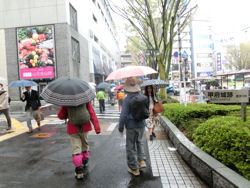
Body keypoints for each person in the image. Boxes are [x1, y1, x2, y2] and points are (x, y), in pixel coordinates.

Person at [57, 102, 100, 180]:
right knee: (85, 144)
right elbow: (92, 113)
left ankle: (79, 172)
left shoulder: (66, 102)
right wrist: (97, 128)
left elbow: (60, 115)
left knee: (76, 148)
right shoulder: (85, 100)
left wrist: (68, 114)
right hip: (85, 127)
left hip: (72, 128)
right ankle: (85, 161)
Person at [118, 77, 147, 176]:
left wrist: (121, 128)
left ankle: (134, 168)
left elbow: (123, 115)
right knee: (139, 142)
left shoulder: (127, 99)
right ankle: (142, 160)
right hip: (142, 124)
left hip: (131, 126)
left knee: (130, 146)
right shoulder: (141, 96)